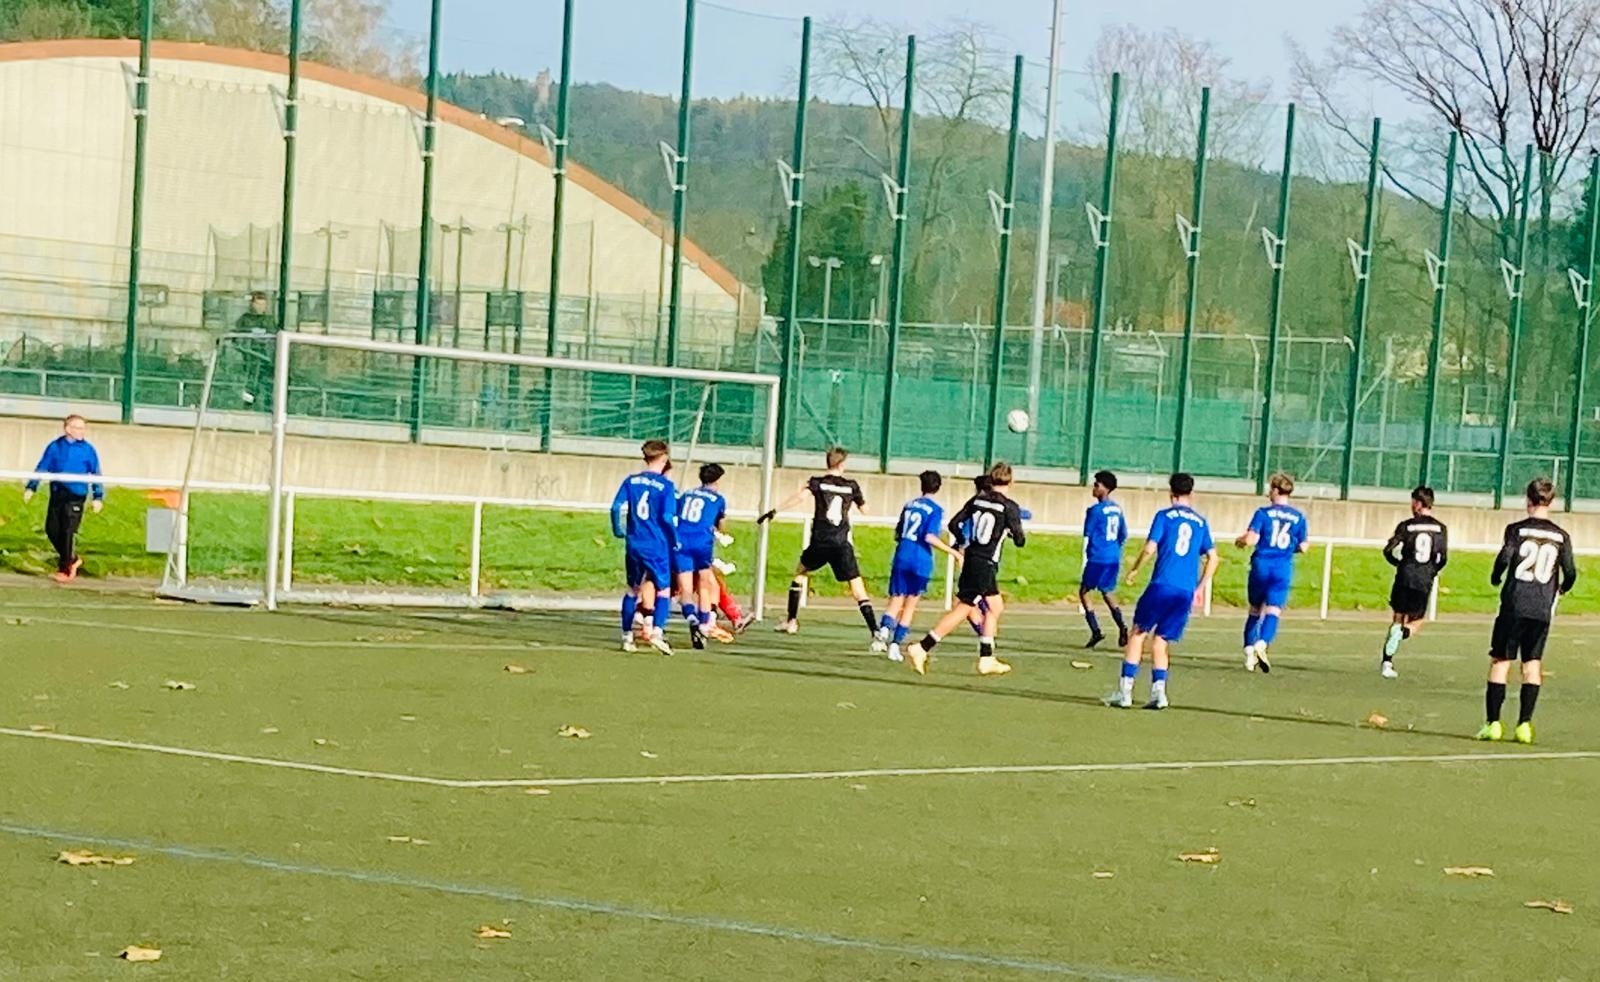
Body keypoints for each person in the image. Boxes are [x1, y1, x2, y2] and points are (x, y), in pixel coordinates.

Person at [1105, 472, 1219, 710]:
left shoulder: (1164, 516)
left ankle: (1125, 692)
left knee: (1138, 633)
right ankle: (1159, 693)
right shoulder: (1201, 522)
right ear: (1191, 493)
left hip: (1162, 586)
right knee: (1161, 640)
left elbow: (1149, 548)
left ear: (1171, 493)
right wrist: (1199, 587)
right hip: (1184, 591)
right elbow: (1213, 558)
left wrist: (1134, 570)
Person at [1477, 477, 1577, 744]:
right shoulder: (1561, 536)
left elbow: (1505, 557)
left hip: (1514, 604)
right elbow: (1570, 572)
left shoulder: (1516, 530)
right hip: (1541, 608)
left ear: (1528, 499)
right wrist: (1562, 589)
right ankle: (1524, 725)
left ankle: (1493, 724)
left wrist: (1496, 576)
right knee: (1532, 664)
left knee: (1500, 661)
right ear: (1551, 502)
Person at [905, 462, 1027, 678]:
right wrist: (1010, 532)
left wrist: (964, 542)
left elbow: (954, 524)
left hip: (973, 559)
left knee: (995, 606)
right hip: (985, 563)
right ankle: (922, 647)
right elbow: (1020, 540)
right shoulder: (1009, 507)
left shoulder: (977, 500)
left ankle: (987, 657)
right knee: (963, 608)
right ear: (1011, 482)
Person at [758, 447, 880, 642]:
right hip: (841, 544)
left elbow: (800, 497)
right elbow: (865, 510)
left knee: (800, 572)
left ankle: (791, 621)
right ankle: (875, 631)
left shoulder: (817, 482)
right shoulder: (852, 486)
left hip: (821, 542)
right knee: (858, 589)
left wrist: (775, 511)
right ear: (842, 464)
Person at [875, 470, 963, 662]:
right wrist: (953, 552)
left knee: (896, 598)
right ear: (938, 487)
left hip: (902, 554)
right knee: (910, 605)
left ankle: (884, 629)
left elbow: (898, 533)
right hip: (920, 559)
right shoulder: (935, 510)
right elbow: (929, 536)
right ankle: (895, 646)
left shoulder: (909, 506)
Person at [1236, 472, 1310, 673]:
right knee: (1274, 610)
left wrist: (1240, 541)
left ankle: (1249, 653)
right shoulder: (1298, 517)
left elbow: (1251, 539)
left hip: (1261, 565)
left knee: (1255, 610)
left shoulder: (1263, 513)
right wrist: (1288, 549)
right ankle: (1262, 643)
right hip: (1282, 568)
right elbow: (1304, 547)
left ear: (1276, 490)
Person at [610, 439, 678, 655]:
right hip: (657, 544)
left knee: (632, 589)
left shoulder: (631, 481)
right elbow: (667, 517)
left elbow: (616, 507)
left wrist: (618, 530)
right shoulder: (666, 486)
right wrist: (675, 539)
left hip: (634, 542)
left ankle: (626, 636)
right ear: (664, 458)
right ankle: (657, 632)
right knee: (664, 589)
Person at [23, 415, 104, 583]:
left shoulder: (88, 450)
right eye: (78, 428)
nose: (81, 431)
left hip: (76, 495)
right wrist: (31, 487)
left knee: (67, 531)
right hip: (58, 493)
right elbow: (42, 466)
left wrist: (98, 496)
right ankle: (72, 559)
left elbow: (96, 473)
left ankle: (66, 568)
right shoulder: (55, 446)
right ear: (67, 429)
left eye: (83, 428)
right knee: (52, 529)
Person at [1380, 486, 1449, 678]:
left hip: (1404, 575)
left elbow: (1388, 550)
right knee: (1417, 620)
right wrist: (1432, 572)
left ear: (1418, 503)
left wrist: (1398, 564)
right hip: (1423, 579)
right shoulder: (1440, 528)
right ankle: (1403, 633)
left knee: (1398, 616)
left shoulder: (1406, 526)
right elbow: (1443, 558)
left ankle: (1387, 662)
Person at [675, 463, 730, 649]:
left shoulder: (686, 495)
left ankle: (692, 618)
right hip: (702, 543)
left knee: (686, 589)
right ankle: (704, 624)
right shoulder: (718, 499)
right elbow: (721, 524)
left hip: (681, 541)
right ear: (717, 480)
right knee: (704, 585)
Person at [1079, 469, 1130, 649]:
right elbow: (1123, 534)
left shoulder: (1095, 511)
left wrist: (1090, 553)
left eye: (1097, 485)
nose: (1094, 488)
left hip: (1098, 558)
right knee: (1107, 591)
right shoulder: (1117, 509)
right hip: (1113, 557)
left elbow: (1087, 535)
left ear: (1105, 488)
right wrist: (1114, 548)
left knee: (1084, 591)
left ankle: (1095, 630)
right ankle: (1122, 625)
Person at [236, 291, 277, 407]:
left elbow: (274, 335)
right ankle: (248, 405)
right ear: (252, 304)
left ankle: (267, 405)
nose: (260, 307)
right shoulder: (245, 319)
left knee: (265, 382)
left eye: (263, 304)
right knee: (250, 382)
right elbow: (238, 335)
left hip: (266, 358)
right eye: (258, 304)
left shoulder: (269, 320)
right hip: (249, 357)